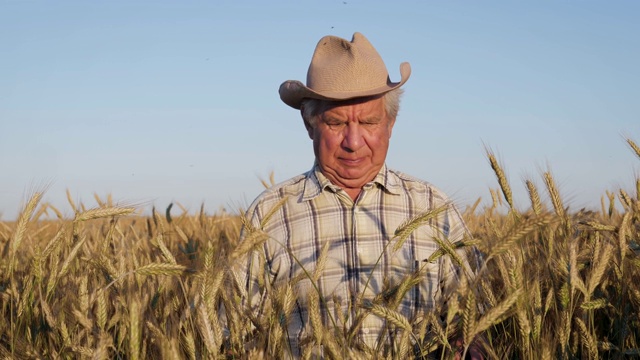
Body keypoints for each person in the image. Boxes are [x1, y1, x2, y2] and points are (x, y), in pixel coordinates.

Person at [236, 32, 481, 358]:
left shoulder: (434, 208)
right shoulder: (270, 214)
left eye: (368, 122)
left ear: (390, 123)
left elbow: (470, 321)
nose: (353, 141)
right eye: (336, 123)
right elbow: (233, 333)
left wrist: (468, 344)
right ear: (309, 125)